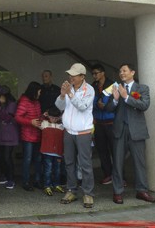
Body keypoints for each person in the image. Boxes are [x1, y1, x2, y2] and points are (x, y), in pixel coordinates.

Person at [105, 63, 155, 204]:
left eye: (124, 70)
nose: (122, 73)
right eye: (120, 71)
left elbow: (144, 105)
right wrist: (115, 99)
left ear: (132, 72)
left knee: (139, 162)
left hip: (137, 130)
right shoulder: (116, 87)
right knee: (117, 162)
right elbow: (108, 108)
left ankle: (142, 191)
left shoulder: (142, 88)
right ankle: (117, 192)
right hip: (119, 130)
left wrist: (126, 97)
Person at [56, 63, 95, 208]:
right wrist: (62, 94)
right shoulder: (68, 88)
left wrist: (70, 94)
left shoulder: (89, 89)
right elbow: (59, 107)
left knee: (85, 164)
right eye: (70, 74)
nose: (70, 77)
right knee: (69, 162)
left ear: (82, 76)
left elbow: (82, 106)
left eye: (74, 75)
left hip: (83, 132)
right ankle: (71, 190)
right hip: (68, 131)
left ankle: (88, 193)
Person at [15, 81, 43, 191]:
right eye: (39, 92)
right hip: (27, 135)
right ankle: (25, 182)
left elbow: (37, 116)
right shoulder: (24, 101)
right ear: (34, 91)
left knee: (38, 159)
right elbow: (17, 117)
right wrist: (30, 122)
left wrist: (43, 117)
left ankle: (37, 180)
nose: (40, 94)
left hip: (37, 134)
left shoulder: (37, 102)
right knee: (27, 159)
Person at [0, 87, 19, 189]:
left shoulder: (12, 104)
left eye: (1, 96)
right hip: (2, 135)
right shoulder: (1, 104)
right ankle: (5, 176)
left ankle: (11, 179)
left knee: (7, 157)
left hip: (10, 136)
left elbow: (8, 117)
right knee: (2, 157)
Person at [90, 64, 115, 185]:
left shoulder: (112, 84)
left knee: (115, 150)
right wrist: (97, 105)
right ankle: (108, 174)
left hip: (111, 122)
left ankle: (121, 176)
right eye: (93, 73)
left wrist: (104, 106)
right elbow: (90, 101)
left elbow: (116, 101)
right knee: (102, 150)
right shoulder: (92, 86)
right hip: (98, 122)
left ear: (103, 73)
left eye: (96, 73)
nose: (94, 76)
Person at [39, 107, 65, 196]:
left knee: (57, 170)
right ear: (48, 116)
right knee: (48, 169)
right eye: (52, 117)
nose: (54, 119)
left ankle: (56, 184)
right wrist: (43, 115)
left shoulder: (61, 126)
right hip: (47, 151)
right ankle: (47, 185)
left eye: (56, 118)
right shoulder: (44, 123)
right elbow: (39, 121)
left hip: (58, 151)